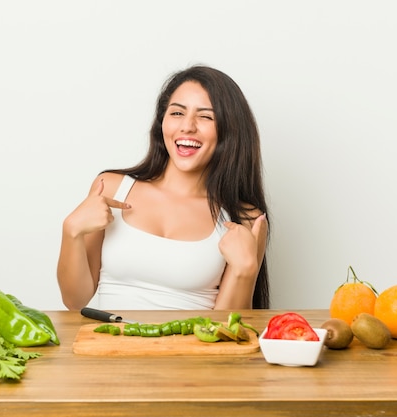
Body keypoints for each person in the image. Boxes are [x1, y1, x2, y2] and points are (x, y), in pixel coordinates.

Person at [57, 65, 270, 311]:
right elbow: (75, 301)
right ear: (162, 122)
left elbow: (227, 332)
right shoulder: (111, 188)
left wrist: (245, 270)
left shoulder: (245, 219)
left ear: (228, 131)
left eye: (206, 116)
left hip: (191, 349)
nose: (187, 126)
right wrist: (71, 231)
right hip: (111, 346)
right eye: (177, 113)